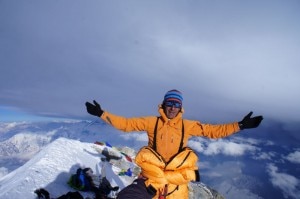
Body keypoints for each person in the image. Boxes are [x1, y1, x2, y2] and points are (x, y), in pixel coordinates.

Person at [85, 89, 263, 199]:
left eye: (176, 104)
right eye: (169, 103)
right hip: (152, 177)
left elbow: (213, 131)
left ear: (180, 108)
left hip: (177, 181)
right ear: (163, 104)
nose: (172, 107)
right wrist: (102, 113)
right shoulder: (151, 122)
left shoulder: (188, 126)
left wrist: (240, 125)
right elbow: (126, 124)